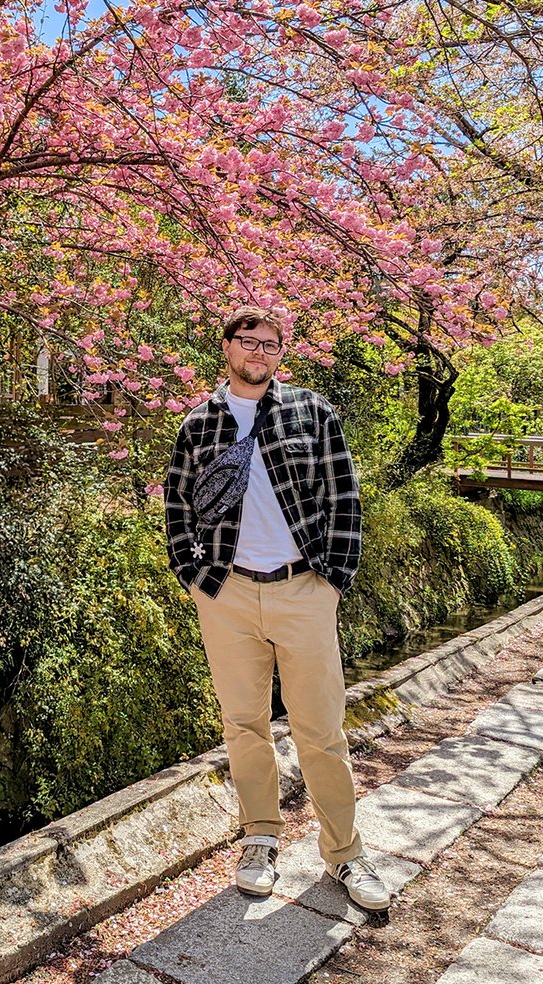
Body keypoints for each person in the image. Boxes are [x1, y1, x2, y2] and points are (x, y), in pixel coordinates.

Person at [163, 305, 390, 910]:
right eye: (249, 341)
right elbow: (178, 511)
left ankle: (345, 854)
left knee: (321, 728)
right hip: (228, 594)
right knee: (243, 725)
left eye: (271, 343)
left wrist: (332, 580)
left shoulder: (311, 412)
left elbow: (344, 495)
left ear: (280, 353)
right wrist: (196, 579)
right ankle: (260, 838)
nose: (259, 352)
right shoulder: (198, 426)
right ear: (227, 346)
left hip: (303, 590)